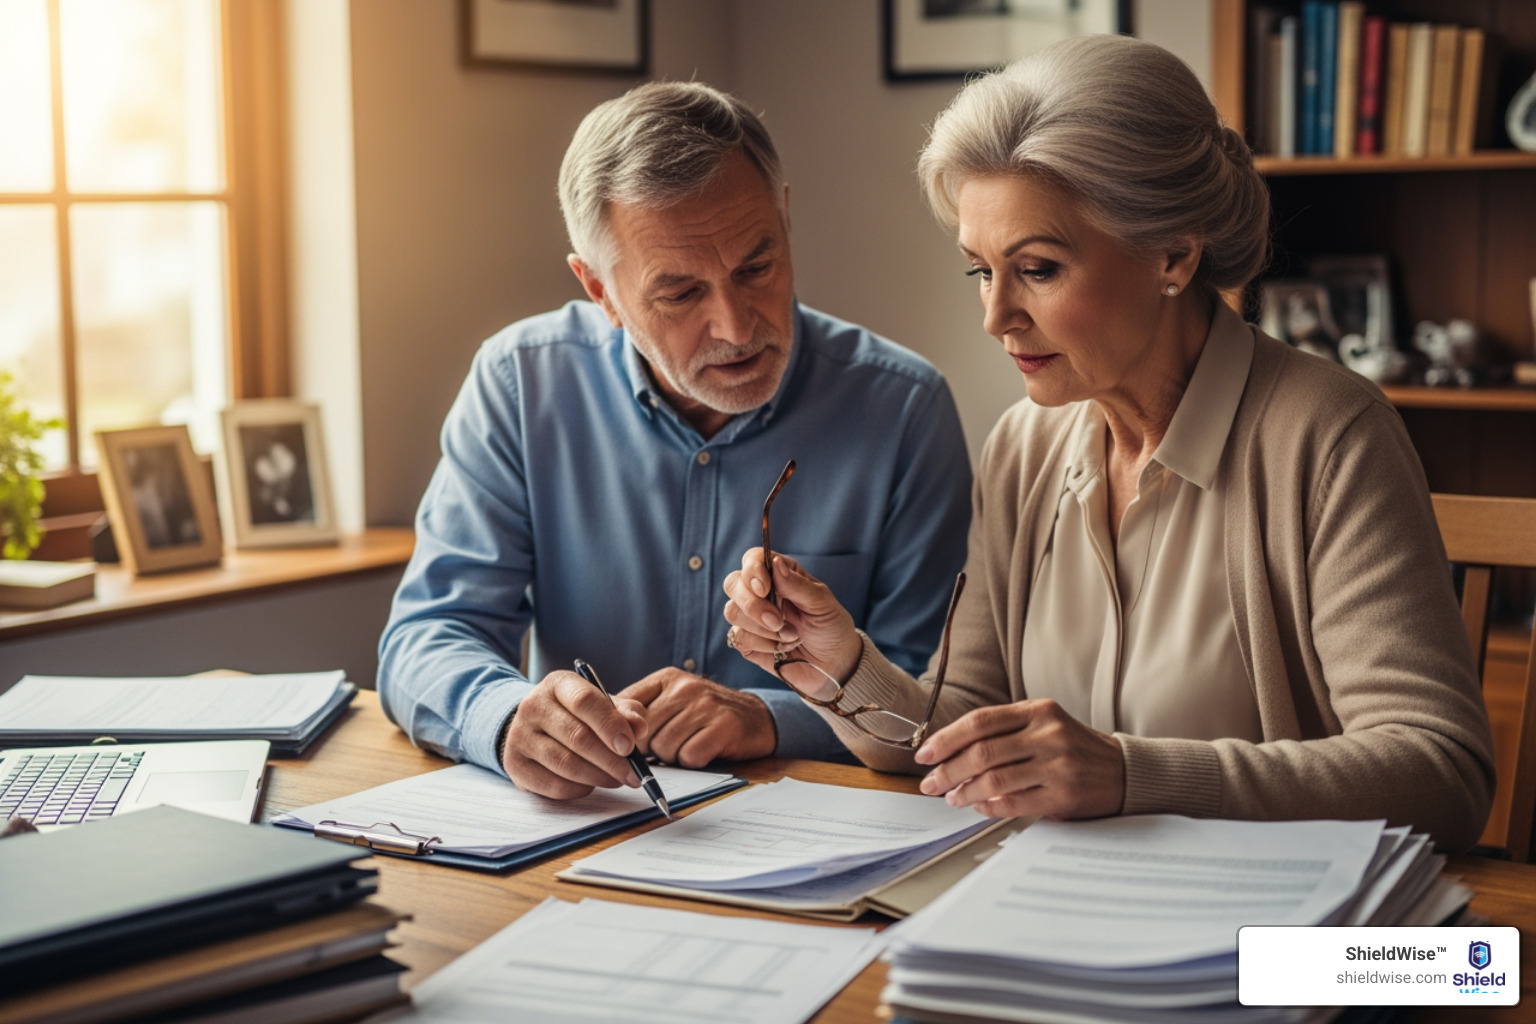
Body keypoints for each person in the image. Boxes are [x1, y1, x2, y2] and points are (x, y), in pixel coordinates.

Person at [721, 35, 1495, 851]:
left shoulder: (1330, 436)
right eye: (981, 271)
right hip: (1062, 919)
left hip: (1276, 943)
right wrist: (838, 665)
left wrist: (1129, 775)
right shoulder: (1023, 445)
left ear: (1174, 254)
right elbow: (961, 732)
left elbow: (1441, 774)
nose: (996, 317)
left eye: (1040, 269)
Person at [378, 82, 972, 800]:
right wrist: (506, 717)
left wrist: (770, 717)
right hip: (580, 836)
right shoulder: (519, 384)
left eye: (756, 267)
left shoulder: (903, 408)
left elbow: (932, 693)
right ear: (599, 289)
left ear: (784, 218)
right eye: (681, 293)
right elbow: (427, 636)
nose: (735, 324)